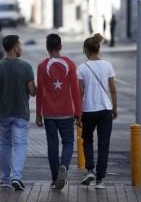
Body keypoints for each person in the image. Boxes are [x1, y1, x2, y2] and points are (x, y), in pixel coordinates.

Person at [0, 35, 36, 190]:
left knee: (4, 145)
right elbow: (32, 91)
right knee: (20, 145)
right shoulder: (26, 67)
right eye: (19, 45)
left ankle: (5, 179)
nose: (21, 47)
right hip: (21, 113)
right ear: (14, 47)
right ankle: (16, 177)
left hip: (3, 113)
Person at [36, 34, 82, 190]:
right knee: (68, 143)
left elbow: (40, 92)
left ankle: (55, 178)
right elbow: (75, 90)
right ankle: (64, 165)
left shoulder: (42, 66)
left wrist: (38, 114)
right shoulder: (70, 64)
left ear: (47, 48)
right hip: (67, 111)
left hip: (49, 112)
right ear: (60, 47)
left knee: (52, 145)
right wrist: (78, 111)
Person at [77, 33, 118, 189]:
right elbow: (113, 90)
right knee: (104, 144)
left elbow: (80, 92)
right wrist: (114, 108)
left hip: (88, 110)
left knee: (87, 140)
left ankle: (90, 170)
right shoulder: (107, 65)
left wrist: (78, 113)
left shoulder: (82, 68)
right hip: (105, 109)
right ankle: (100, 180)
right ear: (98, 48)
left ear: (86, 50)